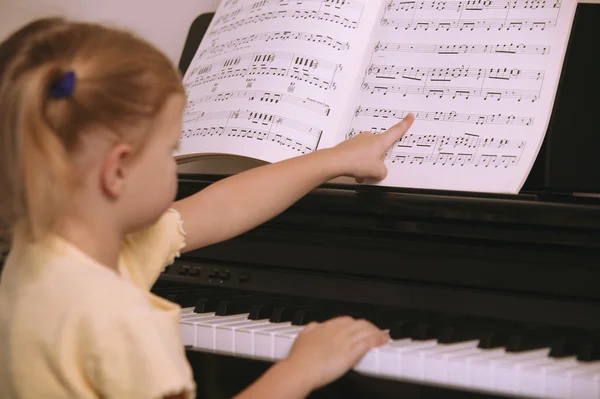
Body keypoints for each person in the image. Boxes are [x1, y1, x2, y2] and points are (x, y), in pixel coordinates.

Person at [0, 17, 415, 399]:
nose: (175, 162)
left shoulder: (42, 254)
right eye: (170, 150)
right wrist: (302, 369)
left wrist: (334, 159)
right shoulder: (115, 319)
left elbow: (220, 207)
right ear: (118, 171)